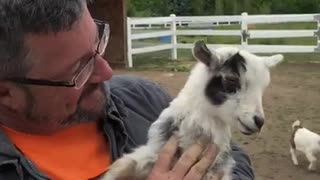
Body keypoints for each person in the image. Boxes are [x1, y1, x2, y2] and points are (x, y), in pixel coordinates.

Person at [0, 0, 254, 179]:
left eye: (98, 42)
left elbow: (236, 158)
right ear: (6, 94)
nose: (107, 72)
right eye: (78, 69)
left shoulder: (143, 97)